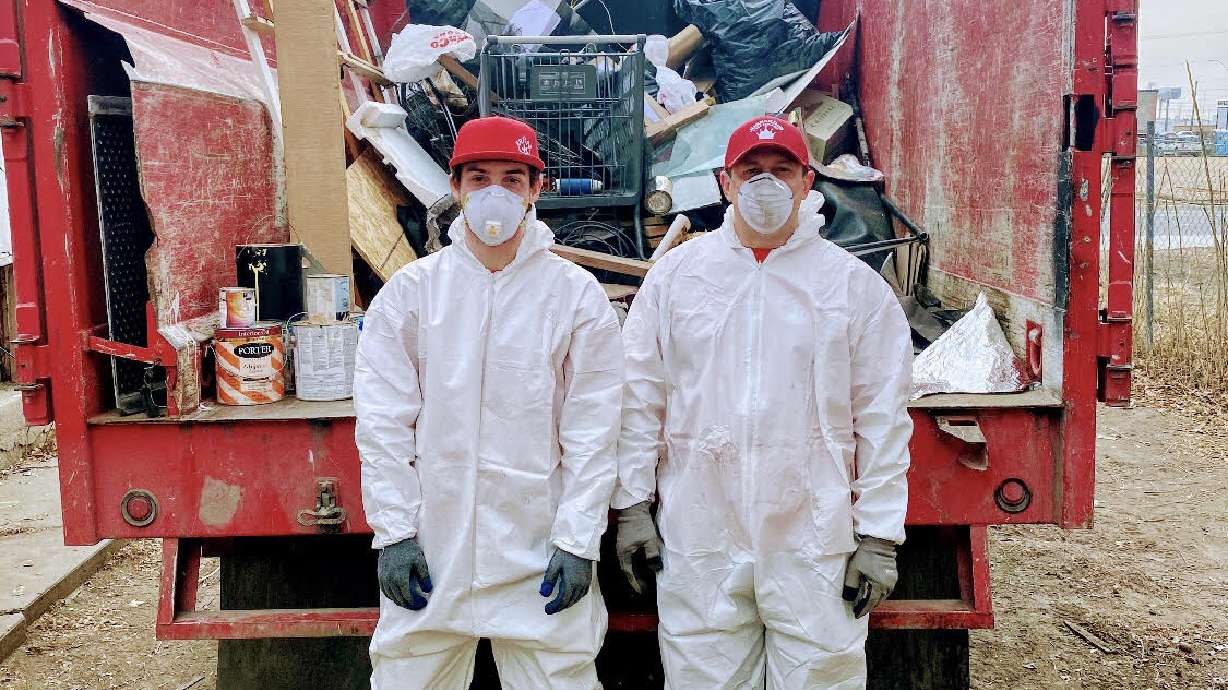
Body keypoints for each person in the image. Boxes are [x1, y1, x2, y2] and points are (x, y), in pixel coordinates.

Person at [613, 115, 913, 689]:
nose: (766, 184)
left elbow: (881, 420)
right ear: (725, 182)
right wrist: (631, 506)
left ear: (808, 182)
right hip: (700, 536)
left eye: (781, 171)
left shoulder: (851, 289)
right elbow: (640, 398)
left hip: (815, 544)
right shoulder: (678, 278)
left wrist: (878, 536)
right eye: (752, 171)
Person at [356, 115, 624, 689]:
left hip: (537, 550)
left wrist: (578, 540)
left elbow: (595, 430)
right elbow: (383, 426)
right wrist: (396, 534)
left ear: (536, 190)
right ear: (455, 187)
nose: (495, 193)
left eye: (512, 178)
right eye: (480, 178)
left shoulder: (573, 296)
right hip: (435, 547)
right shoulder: (413, 293)